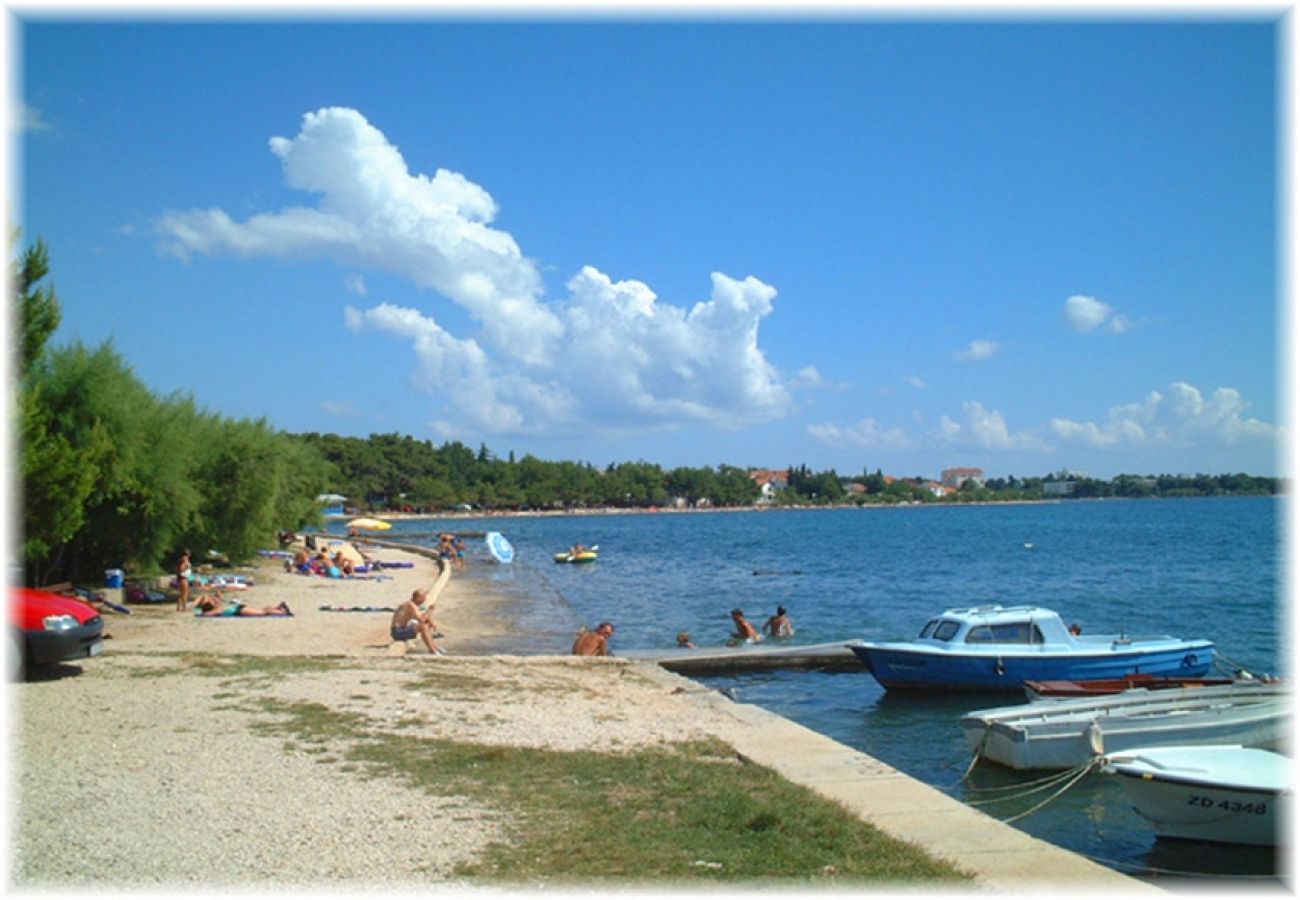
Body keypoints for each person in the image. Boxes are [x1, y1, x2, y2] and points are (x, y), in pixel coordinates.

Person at [390, 588, 443, 655]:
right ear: (418, 598)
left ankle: (435, 648)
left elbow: (420, 617)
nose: (424, 601)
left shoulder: (412, 605)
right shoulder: (410, 605)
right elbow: (421, 619)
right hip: (398, 632)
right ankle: (433, 651)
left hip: (401, 629)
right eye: (423, 598)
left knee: (425, 625)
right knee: (423, 627)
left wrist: (430, 622)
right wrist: (430, 610)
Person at [195, 591, 293, 617]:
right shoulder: (218, 608)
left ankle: (282, 612)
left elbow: (207, 613)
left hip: (239, 610)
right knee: (263, 610)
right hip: (239, 609)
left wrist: (201, 613)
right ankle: (279, 608)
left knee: (263, 612)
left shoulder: (217, 609)